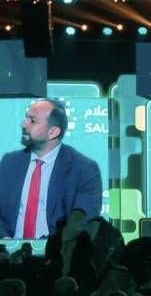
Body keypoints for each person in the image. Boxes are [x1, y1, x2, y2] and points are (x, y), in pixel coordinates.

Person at [0, 98, 102, 239]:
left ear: (53, 132)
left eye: (32, 121)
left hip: (57, 250)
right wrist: (6, 242)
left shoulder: (84, 169)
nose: (24, 124)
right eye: (26, 118)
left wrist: (46, 247)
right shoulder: (9, 163)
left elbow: (81, 223)